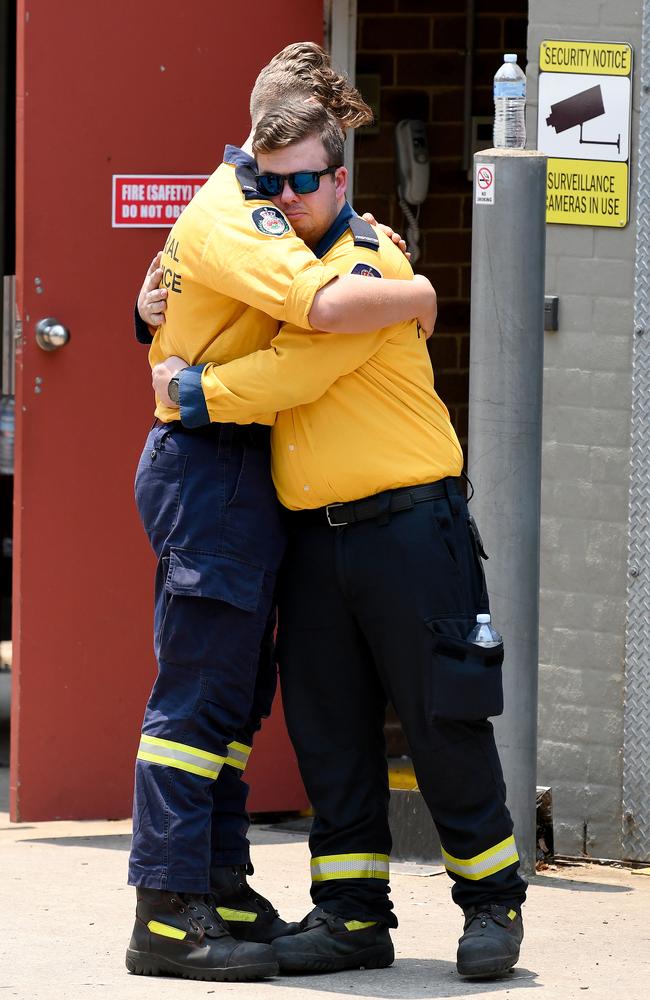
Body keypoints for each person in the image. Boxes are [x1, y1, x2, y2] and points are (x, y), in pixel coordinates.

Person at [152, 100, 528, 982]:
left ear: (340, 180)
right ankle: (353, 913)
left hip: (408, 526)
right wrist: (148, 317)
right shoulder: (276, 266)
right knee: (330, 733)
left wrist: (193, 391)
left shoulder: (369, 264)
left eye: (306, 181)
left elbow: (297, 370)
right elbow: (185, 298)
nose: (289, 198)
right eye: (272, 184)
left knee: (445, 720)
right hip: (315, 540)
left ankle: (491, 905)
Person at [127, 42, 437, 984]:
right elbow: (321, 310)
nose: (304, 190)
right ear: (261, 144)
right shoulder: (241, 215)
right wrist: (416, 291)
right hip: (210, 462)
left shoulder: (258, 211)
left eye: (320, 175)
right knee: (196, 702)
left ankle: (216, 883)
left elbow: (166, 300)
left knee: (230, 701)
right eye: (291, 172)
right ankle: (168, 913)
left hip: (239, 468)